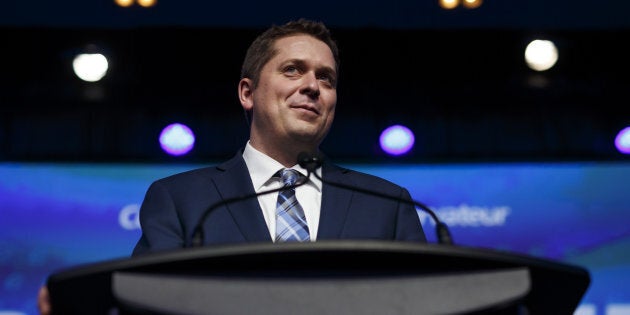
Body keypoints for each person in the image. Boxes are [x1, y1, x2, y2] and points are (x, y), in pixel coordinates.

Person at [38, 18, 426, 314]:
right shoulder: (180, 200)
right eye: (293, 69)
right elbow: (148, 305)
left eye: (326, 78)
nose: (313, 86)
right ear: (247, 93)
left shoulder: (387, 204)